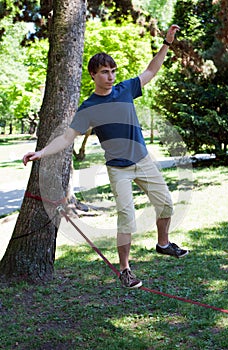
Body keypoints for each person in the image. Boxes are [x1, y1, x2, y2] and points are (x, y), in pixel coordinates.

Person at [23, 24, 189, 289]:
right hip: (119, 169)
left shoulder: (126, 89)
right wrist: (41, 152)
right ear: (93, 75)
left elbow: (151, 70)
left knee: (167, 205)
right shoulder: (88, 109)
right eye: (104, 72)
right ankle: (125, 270)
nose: (110, 77)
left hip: (144, 160)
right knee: (127, 217)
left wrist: (167, 44)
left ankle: (163, 243)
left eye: (112, 71)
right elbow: (66, 139)